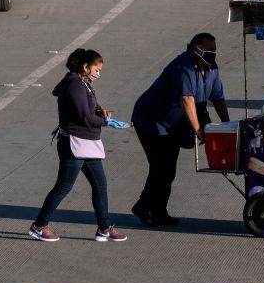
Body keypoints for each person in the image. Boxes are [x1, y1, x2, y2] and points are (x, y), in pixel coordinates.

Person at [131, 33, 230, 226]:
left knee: (168, 168)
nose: (212, 55)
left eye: (214, 51)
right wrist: (198, 130)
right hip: (153, 121)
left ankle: (157, 209)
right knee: (162, 166)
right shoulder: (183, 67)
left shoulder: (211, 68)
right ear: (194, 49)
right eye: (208, 51)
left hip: (173, 124)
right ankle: (145, 206)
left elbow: (218, 98)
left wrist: (227, 125)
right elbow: (187, 100)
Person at [29, 48, 127, 243]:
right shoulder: (75, 85)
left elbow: (91, 106)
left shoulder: (83, 83)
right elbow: (85, 116)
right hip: (74, 144)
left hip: (87, 144)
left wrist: (102, 111)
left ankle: (104, 228)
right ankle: (39, 226)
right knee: (63, 186)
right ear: (85, 67)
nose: (98, 74)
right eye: (97, 70)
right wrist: (105, 122)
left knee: (100, 185)